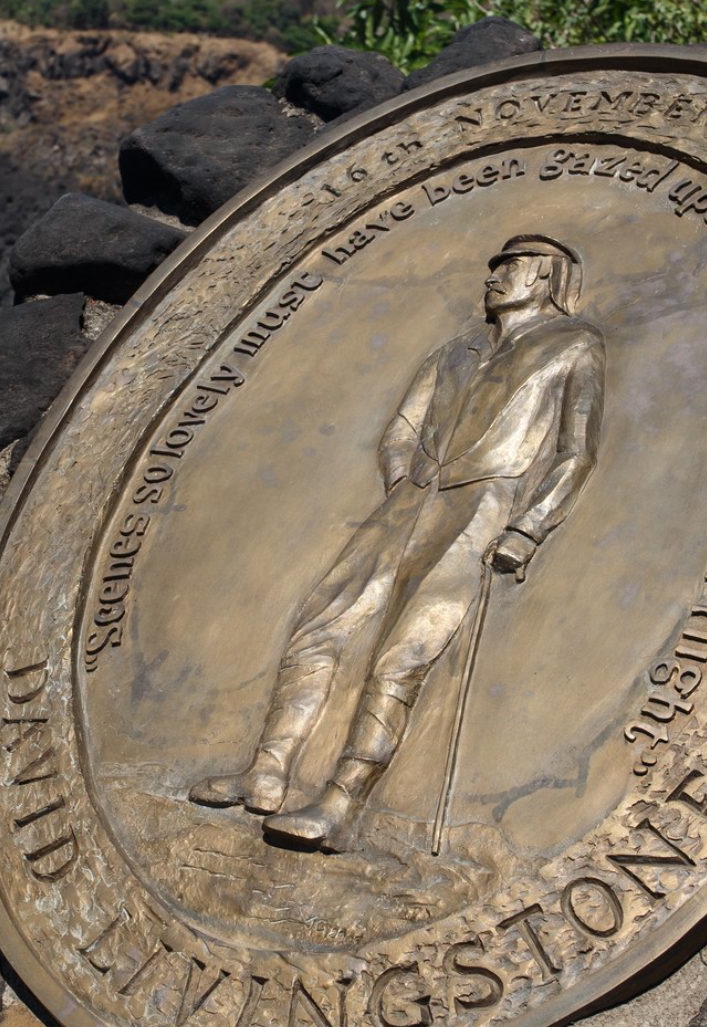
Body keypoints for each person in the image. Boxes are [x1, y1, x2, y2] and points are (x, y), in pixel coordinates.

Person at [188, 234, 605, 852]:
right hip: (410, 500)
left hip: (482, 505)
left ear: (544, 277)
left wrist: (528, 527)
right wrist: (403, 483)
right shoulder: (456, 348)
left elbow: (577, 452)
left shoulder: (573, 345)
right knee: (318, 626)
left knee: (401, 657)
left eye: (509, 267)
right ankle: (266, 773)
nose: (492, 277)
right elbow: (403, 427)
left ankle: (340, 802)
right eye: (495, 265)